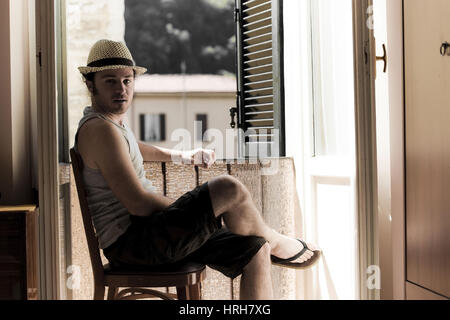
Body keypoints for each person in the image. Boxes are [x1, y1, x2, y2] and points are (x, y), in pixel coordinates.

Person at [74, 39, 321, 300]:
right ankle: (280, 243)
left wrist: (183, 155)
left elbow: (136, 147)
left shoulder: (110, 126)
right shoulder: (100, 130)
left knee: (255, 249)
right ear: (91, 84)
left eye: (127, 80)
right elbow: (138, 204)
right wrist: (189, 210)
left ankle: (270, 244)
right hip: (135, 243)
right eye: (110, 81)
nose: (121, 89)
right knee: (228, 188)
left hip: (149, 235)